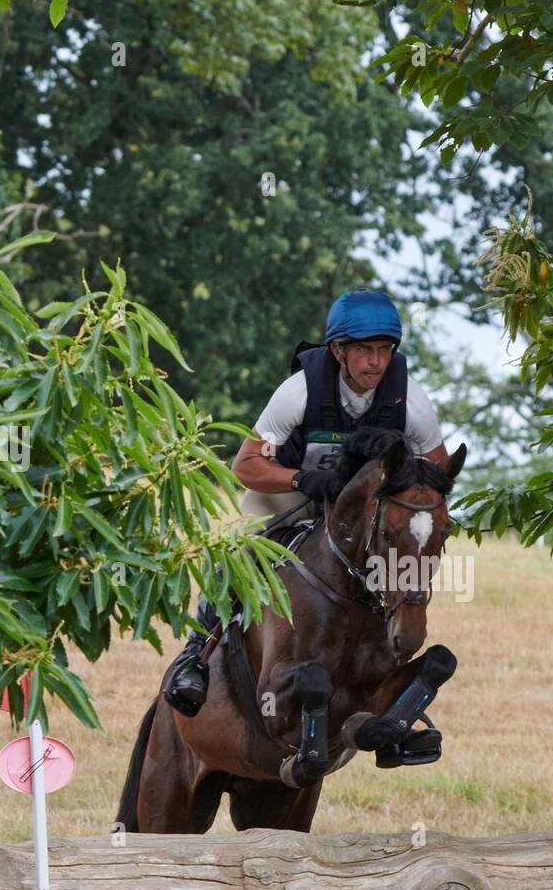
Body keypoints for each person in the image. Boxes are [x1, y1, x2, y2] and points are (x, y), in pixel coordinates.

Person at [163, 289, 452, 716]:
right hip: (288, 492)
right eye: (364, 351)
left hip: (362, 509)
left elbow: (438, 472)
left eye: (384, 350)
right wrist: (303, 478)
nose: (376, 361)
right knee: (238, 550)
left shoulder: (412, 401)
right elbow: (245, 465)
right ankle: (195, 657)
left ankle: (390, 690)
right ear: (338, 350)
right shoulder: (299, 391)